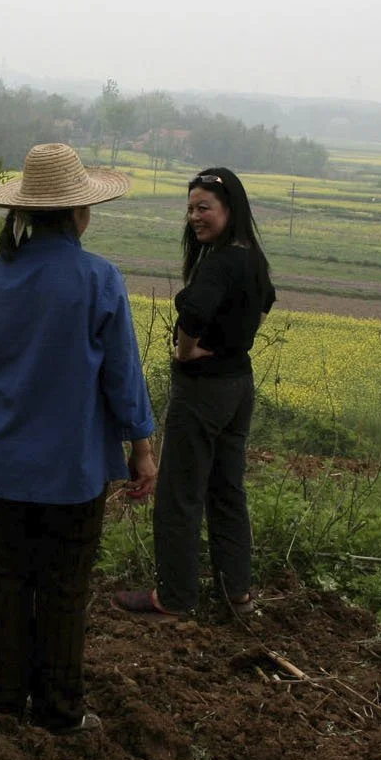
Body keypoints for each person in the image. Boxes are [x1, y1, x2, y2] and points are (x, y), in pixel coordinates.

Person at [0, 143, 158, 734]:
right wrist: (141, 449)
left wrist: (3, 423)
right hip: (73, 471)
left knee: (9, 581)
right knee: (65, 590)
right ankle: (59, 713)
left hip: (3, 466)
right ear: (80, 213)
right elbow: (123, 377)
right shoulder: (98, 279)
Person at [115, 167, 276, 619]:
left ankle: (175, 598)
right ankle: (236, 594)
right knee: (226, 491)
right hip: (238, 386)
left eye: (203, 207)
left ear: (230, 209)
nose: (194, 217)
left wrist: (189, 352)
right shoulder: (250, 256)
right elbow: (265, 301)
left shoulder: (220, 261)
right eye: (190, 208)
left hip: (204, 390)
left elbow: (193, 313)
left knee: (179, 494)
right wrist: (232, 342)